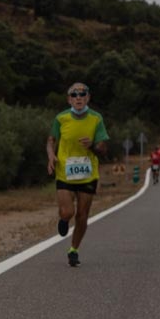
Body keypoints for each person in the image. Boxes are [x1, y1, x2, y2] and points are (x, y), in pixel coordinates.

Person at [46, 82, 109, 267]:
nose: (78, 97)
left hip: (88, 174)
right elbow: (51, 140)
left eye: (82, 94)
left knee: (82, 215)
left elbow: (104, 148)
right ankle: (64, 219)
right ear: (69, 99)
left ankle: (74, 249)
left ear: (88, 97)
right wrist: (51, 155)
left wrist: (93, 145)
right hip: (65, 171)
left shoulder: (96, 119)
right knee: (68, 211)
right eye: (74, 94)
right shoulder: (61, 118)